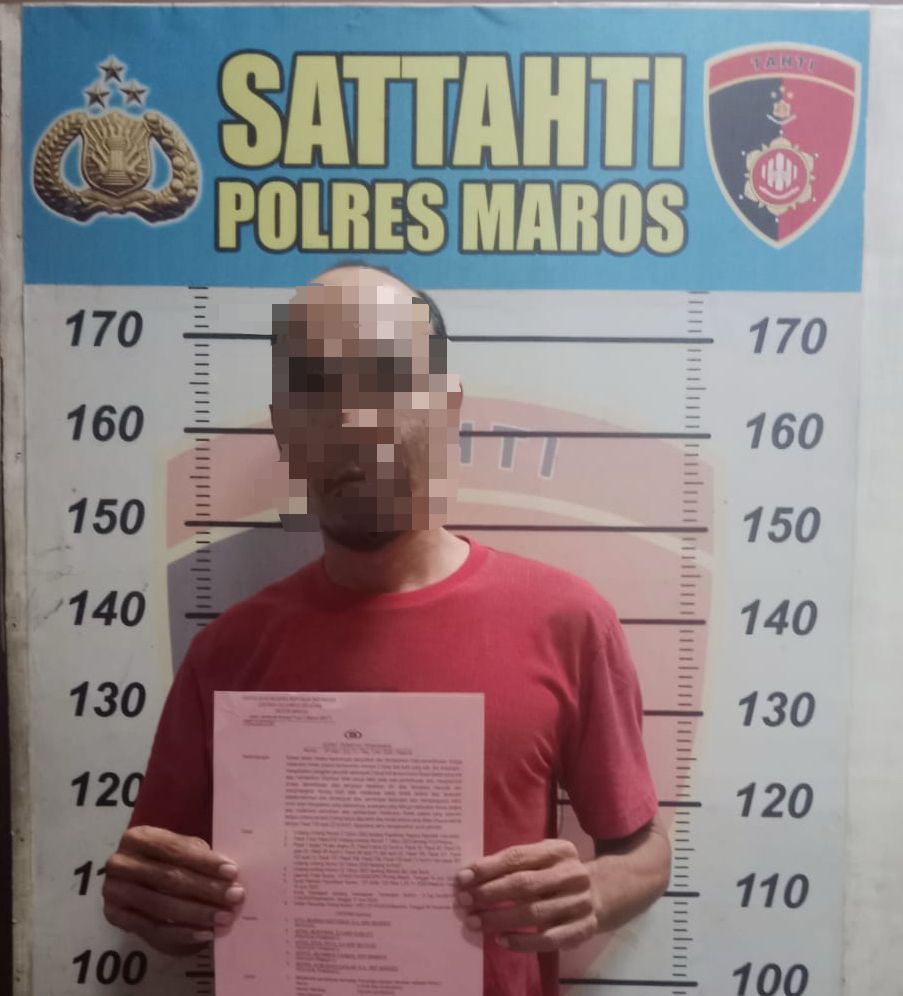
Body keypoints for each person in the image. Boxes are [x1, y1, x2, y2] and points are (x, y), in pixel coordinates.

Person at [102, 262, 671, 996]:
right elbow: (158, 888)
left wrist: (595, 891)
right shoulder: (228, 653)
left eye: (386, 379)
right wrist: (149, 902)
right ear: (284, 430)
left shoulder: (566, 620)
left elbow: (645, 851)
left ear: (446, 407)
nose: (352, 421)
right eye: (316, 388)